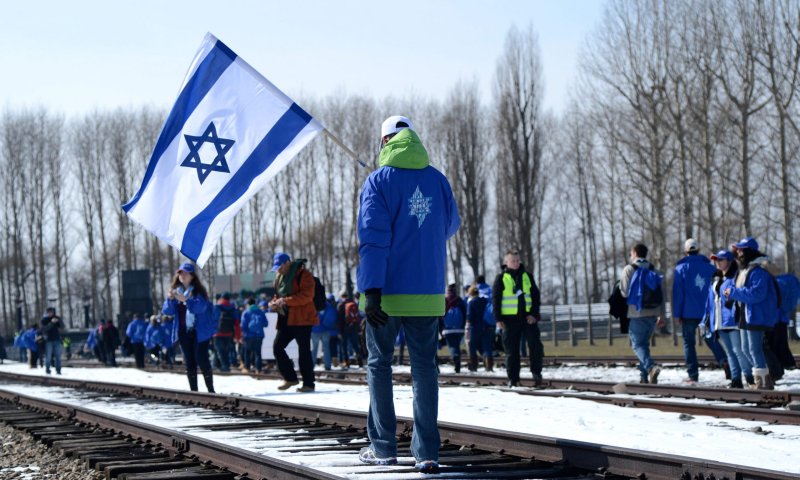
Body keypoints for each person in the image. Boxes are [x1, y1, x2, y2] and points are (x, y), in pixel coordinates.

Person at [357, 115, 460, 473]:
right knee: (425, 371)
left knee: (379, 366)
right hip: (428, 292)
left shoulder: (378, 182)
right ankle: (427, 452)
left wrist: (370, 291)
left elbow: (373, 239)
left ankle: (383, 447)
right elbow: (451, 225)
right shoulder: (437, 180)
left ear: (385, 142)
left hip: (386, 294)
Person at [723, 237, 780, 390]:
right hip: (745, 314)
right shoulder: (746, 269)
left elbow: (757, 294)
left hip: (756, 315)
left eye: (741, 249)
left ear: (749, 251)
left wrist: (734, 292)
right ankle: (764, 379)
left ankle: (763, 382)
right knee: (745, 349)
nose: (738, 252)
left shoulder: (758, 271)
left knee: (754, 349)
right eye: (738, 249)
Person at [491, 250, 544, 387]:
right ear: (506, 263)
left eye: (517, 260)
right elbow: (496, 300)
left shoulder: (528, 276)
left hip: (527, 319)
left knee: (535, 346)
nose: (516, 263)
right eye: (513, 260)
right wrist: (498, 319)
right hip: (509, 320)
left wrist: (533, 314)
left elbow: (535, 297)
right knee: (511, 351)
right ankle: (513, 379)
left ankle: (536, 373)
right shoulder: (501, 278)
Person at [162, 262, 216, 393]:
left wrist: (186, 300)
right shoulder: (176, 292)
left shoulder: (199, 292)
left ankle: (211, 390)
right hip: (183, 332)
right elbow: (167, 311)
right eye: (180, 273)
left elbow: (200, 308)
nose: (182, 275)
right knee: (189, 361)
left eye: (185, 273)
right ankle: (194, 392)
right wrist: (170, 300)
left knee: (201, 358)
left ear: (192, 275)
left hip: (200, 332)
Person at [269, 252, 318, 392]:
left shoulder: (304, 275)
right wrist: (274, 303)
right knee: (277, 347)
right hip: (286, 318)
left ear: (288, 263)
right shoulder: (279, 278)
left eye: (280, 266)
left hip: (302, 318)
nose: (278, 270)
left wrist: (285, 301)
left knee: (304, 352)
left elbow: (307, 296)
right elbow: (277, 296)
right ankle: (290, 378)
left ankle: (309, 384)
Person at [705, 250, 753, 388]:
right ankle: (736, 379)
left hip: (732, 320)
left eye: (721, 259)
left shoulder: (736, 277)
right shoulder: (716, 278)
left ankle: (750, 378)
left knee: (739, 350)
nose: (717, 262)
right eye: (716, 260)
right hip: (719, 321)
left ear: (730, 261)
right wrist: (707, 319)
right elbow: (710, 301)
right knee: (729, 352)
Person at [672, 238, 718, 384]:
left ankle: (693, 375)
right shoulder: (710, 268)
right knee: (711, 339)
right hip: (707, 311)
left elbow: (678, 294)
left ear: (685, 252)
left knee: (688, 344)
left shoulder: (681, 269)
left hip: (688, 312)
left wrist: (677, 314)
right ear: (698, 250)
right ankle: (724, 361)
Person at [620, 243, 666, 384]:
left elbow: (624, 292)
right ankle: (643, 377)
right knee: (644, 345)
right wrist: (662, 315)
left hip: (636, 313)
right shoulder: (654, 270)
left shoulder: (629, 269)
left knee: (637, 345)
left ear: (634, 253)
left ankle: (651, 367)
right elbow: (661, 295)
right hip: (652, 313)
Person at [774, 272, 798, 370]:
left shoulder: (778, 282)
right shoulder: (788, 281)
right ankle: (788, 363)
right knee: (782, 341)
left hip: (775, 317)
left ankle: (785, 364)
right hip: (782, 316)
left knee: (777, 342)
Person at [467, 285, 494, 372]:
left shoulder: (472, 302)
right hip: (487, 326)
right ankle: (489, 366)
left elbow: (470, 317)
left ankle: (474, 366)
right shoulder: (485, 301)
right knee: (487, 347)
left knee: (472, 346)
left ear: (471, 293)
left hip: (475, 328)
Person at [442, 284, 467, 373]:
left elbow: (441, 315)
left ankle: (456, 360)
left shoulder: (445, 300)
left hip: (448, 330)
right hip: (459, 329)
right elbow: (465, 314)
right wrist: (463, 326)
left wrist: (441, 329)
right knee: (456, 346)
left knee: (452, 346)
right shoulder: (460, 300)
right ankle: (458, 363)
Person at [212, 293, 238, 372]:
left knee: (220, 350)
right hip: (229, 333)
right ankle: (216, 365)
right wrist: (238, 335)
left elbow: (212, 320)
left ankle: (225, 366)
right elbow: (237, 323)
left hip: (217, 333)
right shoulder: (233, 308)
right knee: (224, 350)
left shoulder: (217, 307)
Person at [240, 298, 268, 373]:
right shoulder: (261, 312)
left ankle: (247, 368)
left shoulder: (246, 312)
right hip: (259, 335)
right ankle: (258, 369)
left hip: (248, 336)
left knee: (247, 352)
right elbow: (266, 324)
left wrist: (243, 334)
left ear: (248, 304)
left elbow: (243, 325)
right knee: (258, 353)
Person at [40, 307, 64, 375]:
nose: (50, 313)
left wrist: (59, 320)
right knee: (48, 356)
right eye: (49, 312)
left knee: (58, 356)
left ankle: (58, 370)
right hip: (48, 340)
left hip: (57, 339)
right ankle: (47, 369)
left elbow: (62, 326)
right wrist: (51, 323)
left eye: (51, 312)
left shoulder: (56, 318)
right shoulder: (44, 320)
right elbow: (45, 329)